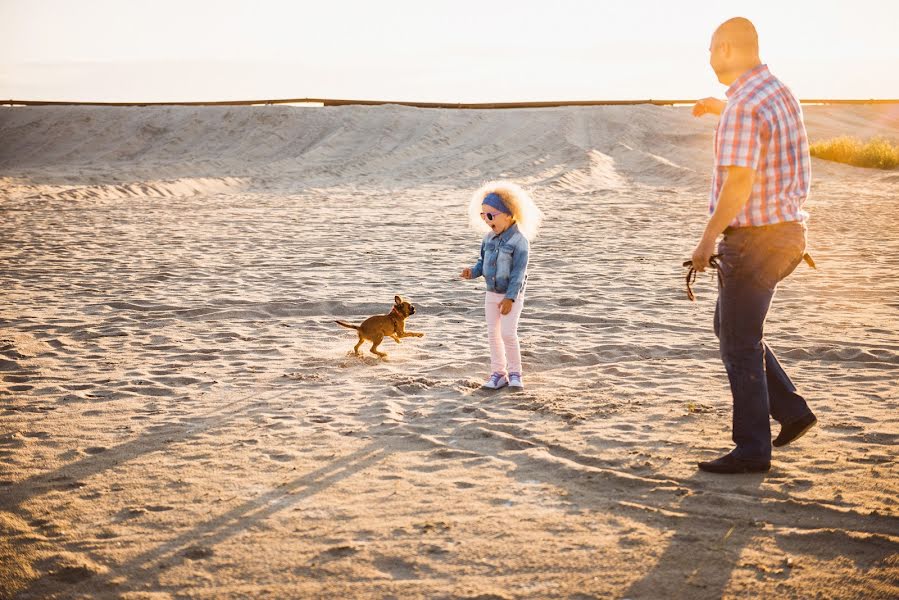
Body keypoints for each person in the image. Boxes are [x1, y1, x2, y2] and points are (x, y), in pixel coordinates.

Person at [690, 17, 817, 474]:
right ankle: (792, 411)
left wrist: (707, 238)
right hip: (788, 235)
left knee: (738, 342)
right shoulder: (775, 91)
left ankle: (751, 450)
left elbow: (739, 181)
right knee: (731, 326)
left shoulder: (743, 105)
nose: (707, 58)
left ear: (725, 48)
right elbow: (763, 134)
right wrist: (719, 108)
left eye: (710, 49)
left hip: (755, 239)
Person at [460, 181, 543, 390]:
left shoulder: (519, 241)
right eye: (483, 215)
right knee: (493, 334)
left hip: (510, 295)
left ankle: (515, 373)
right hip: (491, 293)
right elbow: (482, 262)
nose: (487, 221)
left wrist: (510, 298)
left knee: (507, 333)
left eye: (491, 215)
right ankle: (499, 373)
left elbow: (519, 273)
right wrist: (473, 272)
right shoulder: (488, 238)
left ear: (509, 214)